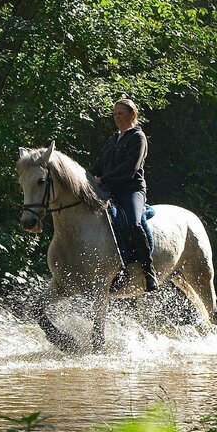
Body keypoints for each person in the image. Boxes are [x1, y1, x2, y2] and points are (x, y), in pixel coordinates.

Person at [90, 98, 158, 292]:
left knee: (134, 223)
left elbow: (130, 167)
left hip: (131, 189)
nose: (117, 118)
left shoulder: (138, 137)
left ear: (132, 115)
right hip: (110, 191)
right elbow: (98, 165)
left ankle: (148, 269)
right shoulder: (113, 139)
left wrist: (103, 180)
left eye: (121, 114)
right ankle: (116, 268)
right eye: (115, 114)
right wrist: (89, 177)